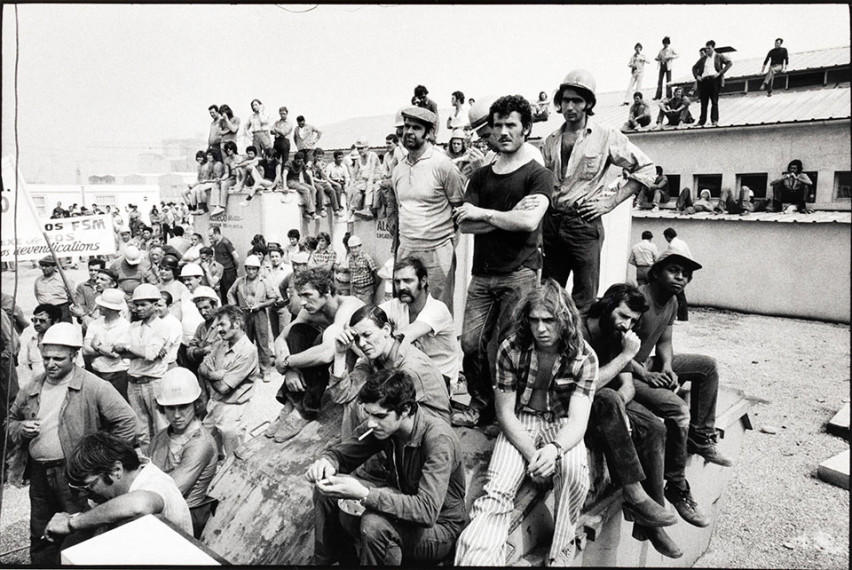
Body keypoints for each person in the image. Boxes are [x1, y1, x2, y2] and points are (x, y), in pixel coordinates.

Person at [454, 280, 597, 566]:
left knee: (574, 474)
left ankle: (562, 546)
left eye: (549, 320)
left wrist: (554, 450)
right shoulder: (512, 348)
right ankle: (476, 558)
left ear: (565, 319)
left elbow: (578, 421)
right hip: (522, 420)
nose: (541, 328)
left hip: (562, 424)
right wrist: (533, 455)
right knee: (497, 488)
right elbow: (505, 412)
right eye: (534, 320)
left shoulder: (584, 356)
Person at [453, 95, 554, 429]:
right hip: (482, 275)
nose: (503, 132)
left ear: (526, 128)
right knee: (470, 343)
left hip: (520, 273)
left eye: (511, 125)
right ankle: (481, 405)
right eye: (497, 125)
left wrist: (484, 213)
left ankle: (510, 413)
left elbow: (529, 223)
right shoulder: (481, 177)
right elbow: (465, 224)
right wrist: (505, 217)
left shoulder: (538, 174)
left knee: (512, 346)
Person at [7, 323, 137, 565]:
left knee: (80, 531)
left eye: (59, 358)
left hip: (75, 477)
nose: (50, 364)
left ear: (75, 356)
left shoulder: (94, 386)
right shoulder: (33, 386)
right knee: (42, 532)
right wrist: (20, 428)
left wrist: (99, 461)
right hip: (39, 475)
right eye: (46, 358)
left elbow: (128, 422)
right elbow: (9, 421)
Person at [307, 369, 466, 566]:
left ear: (406, 409)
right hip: (401, 499)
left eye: (379, 416)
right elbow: (341, 454)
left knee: (373, 525)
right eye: (369, 414)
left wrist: (365, 494)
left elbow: (427, 511)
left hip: (439, 528)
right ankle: (326, 561)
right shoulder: (383, 424)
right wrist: (327, 462)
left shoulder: (438, 440)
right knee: (327, 487)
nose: (372, 423)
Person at [628, 248, 733, 531]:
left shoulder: (672, 301)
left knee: (706, 366)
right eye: (674, 271)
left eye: (686, 275)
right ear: (656, 272)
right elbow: (613, 347)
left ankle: (700, 437)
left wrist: (667, 366)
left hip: (647, 365)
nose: (681, 278)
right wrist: (646, 374)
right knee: (678, 411)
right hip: (626, 373)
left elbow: (664, 341)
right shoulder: (636, 296)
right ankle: (676, 484)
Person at [540, 69, 656, 317]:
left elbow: (646, 169)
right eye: (565, 100)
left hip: (583, 224)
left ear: (588, 104)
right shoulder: (549, 140)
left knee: (584, 299)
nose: (570, 106)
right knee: (549, 295)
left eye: (577, 101)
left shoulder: (606, 136)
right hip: (551, 223)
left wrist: (610, 203)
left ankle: (578, 353)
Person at [581, 284, 681, 558]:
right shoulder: (578, 330)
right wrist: (626, 355)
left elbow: (629, 386)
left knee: (654, 426)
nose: (627, 325)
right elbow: (585, 386)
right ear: (607, 305)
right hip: (574, 408)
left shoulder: (618, 335)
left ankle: (652, 522)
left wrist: (621, 411)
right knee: (610, 398)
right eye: (623, 316)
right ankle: (634, 493)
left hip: (607, 406)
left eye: (633, 321)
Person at [270, 268, 364, 442]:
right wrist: (289, 369)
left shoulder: (348, 306)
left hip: (359, 367)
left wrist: (287, 362)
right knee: (298, 331)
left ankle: (305, 411)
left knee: (323, 339)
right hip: (336, 360)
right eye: (300, 296)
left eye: (307, 295)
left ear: (327, 291)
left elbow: (327, 353)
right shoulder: (312, 310)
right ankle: (293, 404)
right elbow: (282, 338)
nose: (302, 302)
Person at [329, 304, 451, 437]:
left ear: (386, 329)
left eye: (367, 335)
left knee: (367, 409)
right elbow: (342, 395)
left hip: (433, 427)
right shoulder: (373, 357)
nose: (362, 344)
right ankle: (353, 448)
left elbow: (392, 410)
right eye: (357, 338)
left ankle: (358, 451)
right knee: (356, 402)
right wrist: (340, 354)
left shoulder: (412, 367)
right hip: (403, 414)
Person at [46, 432, 192, 541]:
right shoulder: (114, 488)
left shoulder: (156, 483)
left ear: (116, 470)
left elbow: (139, 505)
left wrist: (73, 523)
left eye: (89, 486)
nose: (88, 495)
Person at [392, 106, 466, 312]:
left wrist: (447, 244)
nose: (409, 132)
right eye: (406, 126)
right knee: (407, 311)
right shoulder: (398, 169)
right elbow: (401, 209)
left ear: (430, 133)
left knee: (438, 312)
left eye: (416, 128)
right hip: (406, 249)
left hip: (436, 250)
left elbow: (459, 208)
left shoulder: (444, 165)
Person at [150, 368, 218, 538]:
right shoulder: (161, 436)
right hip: (162, 506)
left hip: (188, 514)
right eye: (170, 408)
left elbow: (172, 489)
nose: (177, 415)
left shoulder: (200, 443)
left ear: (196, 404)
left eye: (183, 407)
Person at [113, 284, 175, 454]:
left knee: (161, 427)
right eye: (137, 304)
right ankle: (149, 463)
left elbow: (149, 354)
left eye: (143, 304)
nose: (138, 308)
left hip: (153, 383)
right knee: (141, 431)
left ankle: (165, 463)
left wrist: (129, 347)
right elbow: (119, 352)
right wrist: (136, 350)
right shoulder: (133, 326)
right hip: (133, 382)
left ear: (155, 305)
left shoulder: (162, 327)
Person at [380, 256, 459, 390]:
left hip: (438, 380)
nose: (401, 287)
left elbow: (402, 338)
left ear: (423, 282)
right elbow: (367, 318)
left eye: (408, 281)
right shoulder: (397, 305)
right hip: (409, 374)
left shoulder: (437, 309)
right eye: (397, 282)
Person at [198, 305, 260, 458]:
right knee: (207, 451)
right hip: (214, 406)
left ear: (237, 323)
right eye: (217, 325)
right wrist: (214, 375)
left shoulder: (248, 351)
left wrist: (209, 374)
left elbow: (224, 388)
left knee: (234, 458)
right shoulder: (221, 344)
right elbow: (201, 367)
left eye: (222, 324)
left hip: (233, 411)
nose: (218, 329)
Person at [227, 255, 278, 381]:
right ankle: (247, 370)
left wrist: (260, 305)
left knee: (263, 342)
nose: (251, 272)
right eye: (248, 269)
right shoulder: (239, 281)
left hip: (259, 313)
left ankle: (265, 370)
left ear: (258, 269)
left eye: (253, 269)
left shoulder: (264, 282)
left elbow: (273, 298)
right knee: (245, 343)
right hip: (244, 314)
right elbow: (230, 293)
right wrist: (235, 307)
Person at [82, 288, 132, 401]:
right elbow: (85, 350)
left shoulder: (126, 327)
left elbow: (115, 354)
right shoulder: (94, 324)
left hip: (118, 374)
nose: (99, 307)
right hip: (97, 372)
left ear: (112, 309)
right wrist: (104, 350)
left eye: (102, 306)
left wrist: (96, 346)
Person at [691, 40, 733, 127]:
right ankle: (702, 121)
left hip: (714, 80)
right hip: (704, 81)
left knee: (714, 101)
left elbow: (729, 63)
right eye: (706, 49)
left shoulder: (719, 56)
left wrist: (720, 73)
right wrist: (697, 76)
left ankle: (714, 120)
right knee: (704, 102)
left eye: (709, 48)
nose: (707, 50)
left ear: (713, 48)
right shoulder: (703, 58)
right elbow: (694, 67)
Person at [18, 304, 66, 378]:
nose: (37, 323)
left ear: (55, 321)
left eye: (42, 320)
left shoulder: (64, 340)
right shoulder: (32, 342)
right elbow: (29, 364)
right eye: (34, 320)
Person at [282, 149, 321, 220]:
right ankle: (312, 213)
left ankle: (307, 211)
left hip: (298, 181)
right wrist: (284, 186)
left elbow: (309, 174)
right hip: (290, 182)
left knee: (312, 189)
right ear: (295, 159)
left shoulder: (302, 163)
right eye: (298, 161)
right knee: (305, 190)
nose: (299, 163)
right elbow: (284, 174)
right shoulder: (289, 163)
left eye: (301, 161)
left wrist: (313, 186)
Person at [661, 228, 690, 322]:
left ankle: (678, 316)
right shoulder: (683, 243)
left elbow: (670, 260)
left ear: (667, 237)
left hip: (677, 270)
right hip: (685, 269)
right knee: (680, 293)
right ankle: (683, 316)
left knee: (675, 293)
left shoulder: (672, 245)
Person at [34, 255, 74, 323]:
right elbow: (37, 295)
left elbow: (72, 295)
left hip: (62, 310)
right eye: (42, 265)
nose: (43, 268)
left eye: (47, 266)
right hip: (45, 312)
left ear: (54, 266)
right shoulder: (38, 281)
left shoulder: (63, 279)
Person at [350, 139, 382, 219]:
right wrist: (352, 183)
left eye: (362, 148)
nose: (360, 150)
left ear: (367, 148)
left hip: (375, 178)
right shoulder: (358, 159)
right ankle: (354, 210)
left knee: (369, 185)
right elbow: (354, 174)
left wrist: (368, 182)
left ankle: (367, 208)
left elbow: (372, 171)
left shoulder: (373, 155)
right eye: (358, 148)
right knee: (354, 188)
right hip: (364, 180)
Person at [208, 225, 239, 304]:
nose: (211, 238)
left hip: (228, 271)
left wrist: (236, 268)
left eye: (212, 236)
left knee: (230, 293)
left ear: (217, 233)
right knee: (222, 292)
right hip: (220, 271)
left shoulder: (225, 242)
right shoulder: (215, 243)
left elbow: (236, 256)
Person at [70, 258, 104, 326]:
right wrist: (91, 313)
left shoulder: (106, 285)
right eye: (91, 270)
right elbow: (80, 305)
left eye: (96, 270)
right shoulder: (82, 286)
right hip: (87, 320)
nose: (93, 273)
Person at [347, 235, 379, 305]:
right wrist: (351, 291)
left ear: (360, 247)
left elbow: (375, 273)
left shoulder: (366, 257)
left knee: (366, 310)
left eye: (355, 248)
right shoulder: (350, 259)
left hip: (366, 290)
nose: (354, 250)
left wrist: (374, 287)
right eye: (351, 248)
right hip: (355, 290)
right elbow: (352, 274)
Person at [309, 149, 342, 215]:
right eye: (317, 156)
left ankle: (336, 209)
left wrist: (320, 168)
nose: (319, 158)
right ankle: (321, 209)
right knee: (320, 189)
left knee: (331, 190)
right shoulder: (310, 164)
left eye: (320, 157)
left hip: (322, 181)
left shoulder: (324, 164)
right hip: (313, 181)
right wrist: (319, 180)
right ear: (314, 156)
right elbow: (310, 176)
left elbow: (325, 177)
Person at [654, 36, 679, 100]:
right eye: (664, 43)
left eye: (666, 43)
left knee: (668, 81)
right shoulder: (661, 50)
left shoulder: (671, 49)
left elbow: (677, 55)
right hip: (662, 65)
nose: (665, 44)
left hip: (668, 66)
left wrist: (670, 57)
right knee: (660, 81)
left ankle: (669, 95)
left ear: (668, 43)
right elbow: (658, 57)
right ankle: (658, 95)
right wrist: (657, 58)